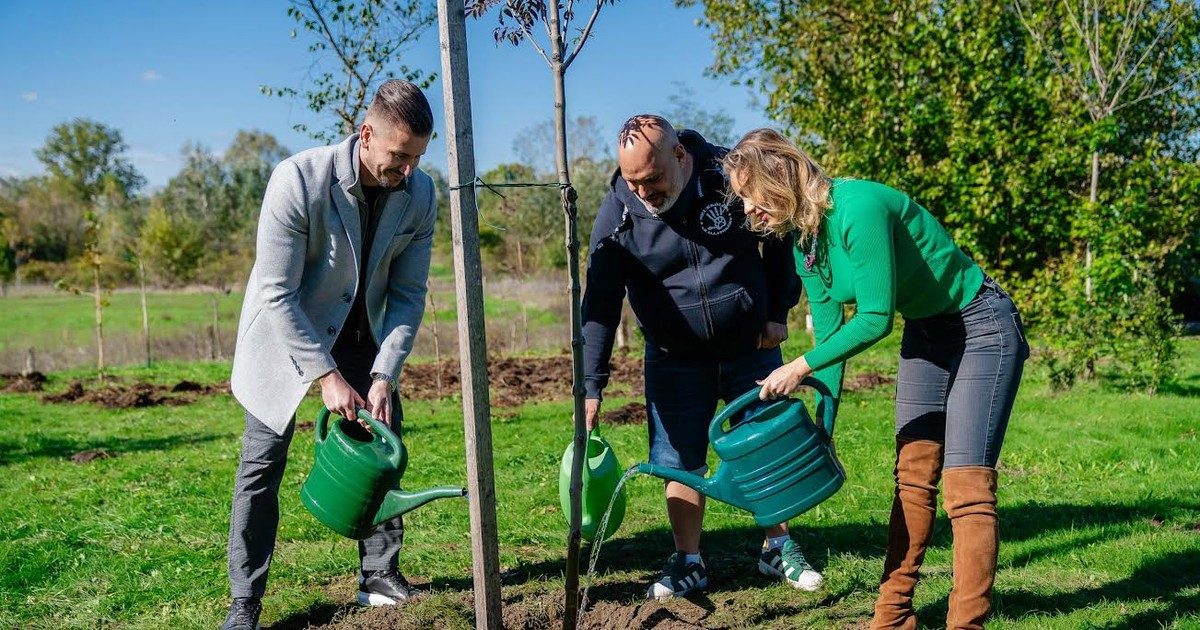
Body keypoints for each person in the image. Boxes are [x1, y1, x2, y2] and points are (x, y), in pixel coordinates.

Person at [723, 128, 1029, 629]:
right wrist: (825, 423)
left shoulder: (857, 207)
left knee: (966, 485)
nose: (747, 212)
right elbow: (828, 333)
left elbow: (873, 319)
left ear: (779, 175)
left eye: (749, 194)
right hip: (929, 332)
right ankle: (890, 618)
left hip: (982, 326)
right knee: (912, 475)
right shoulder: (804, 243)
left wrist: (796, 368)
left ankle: (966, 624)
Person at [220, 80, 438, 630]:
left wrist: (385, 372)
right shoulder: (298, 179)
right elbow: (275, 291)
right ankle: (244, 602)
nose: (408, 169)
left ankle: (380, 575)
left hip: (364, 337)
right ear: (366, 135)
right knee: (261, 468)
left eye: (417, 157)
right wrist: (325, 374)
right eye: (399, 155)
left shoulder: (422, 194)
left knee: (384, 450)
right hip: (287, 335)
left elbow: (410, 295)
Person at [582, 114, 823, 600]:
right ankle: (688, 560)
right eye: (632, 181)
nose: (643, 192)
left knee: (764, 445)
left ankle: (777, 547)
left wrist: (779, 310)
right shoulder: (618, 214)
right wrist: (591, 386)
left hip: (750, 346)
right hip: (674, 356)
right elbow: (600, 304)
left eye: (651, 180)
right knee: (677, 459)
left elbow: (776, 234)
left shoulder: (726, 173)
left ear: (679, 155)